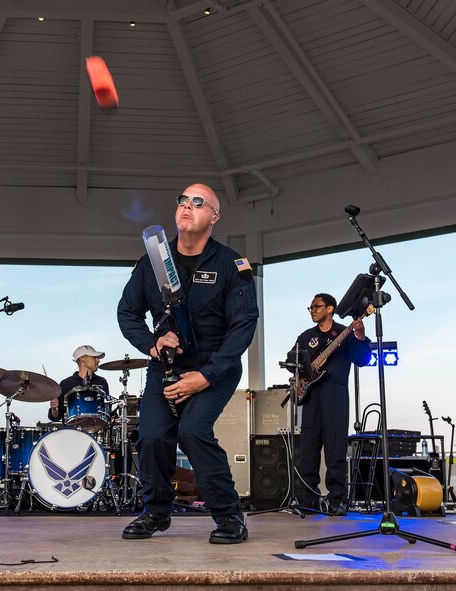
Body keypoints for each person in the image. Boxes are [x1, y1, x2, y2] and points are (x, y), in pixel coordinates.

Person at [117, 183, 259, 544]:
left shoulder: (232, 265)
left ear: (214, 216)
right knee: (151, 436)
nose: (187, 206)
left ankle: (229, 517)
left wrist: (206, 376)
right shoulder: (152, 264)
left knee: (193, 431)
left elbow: (243, 327)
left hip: (216, 366)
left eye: (199, 202)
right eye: (182, 200)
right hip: (165, 367)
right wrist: (152, 343)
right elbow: (127, 313)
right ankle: (156, 512)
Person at [291, 293, 371, 516]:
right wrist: (301, 374)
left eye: (316, 306)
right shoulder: (306, 336)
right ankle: (309, 499)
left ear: (330, 309)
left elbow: (362, 360)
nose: (313, 310)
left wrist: (360, 334)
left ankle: (337, 500)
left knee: (335, 448)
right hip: (311, 396)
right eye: (311, 307)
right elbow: (292, 361)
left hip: (335, 395)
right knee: (308, 449)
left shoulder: (345, 333)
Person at [48, 345, 110, 426]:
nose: (98, 361)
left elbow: (107, 412)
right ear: (82, 359)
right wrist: (54, 409)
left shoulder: (102, 382)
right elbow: (55, 417)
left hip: (97, 431)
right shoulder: (66, 384)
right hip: (72, 432)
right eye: (94, 357)